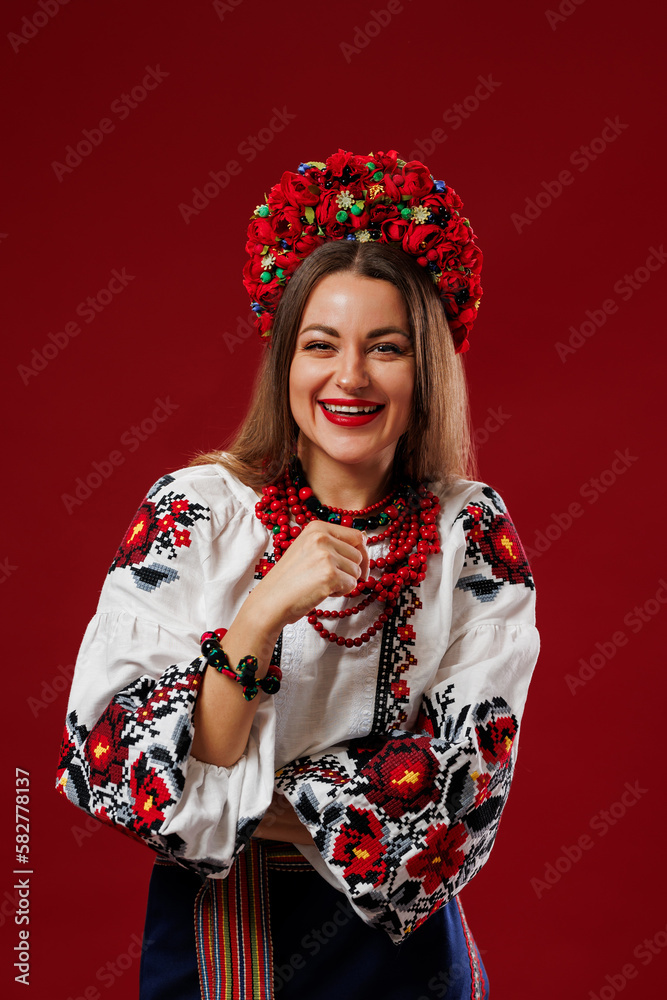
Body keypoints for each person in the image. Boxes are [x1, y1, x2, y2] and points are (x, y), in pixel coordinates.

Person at [55, 148, 540, 999]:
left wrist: (246, 784)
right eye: (321, 344)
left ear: (425, 366)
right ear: (285, 358)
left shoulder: (472, 533)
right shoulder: (195, 512)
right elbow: (117, 760)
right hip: (219, 932)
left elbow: (460, 800)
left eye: (384, 347)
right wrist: (262, 610)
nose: (348, 377)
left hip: (401, 949)